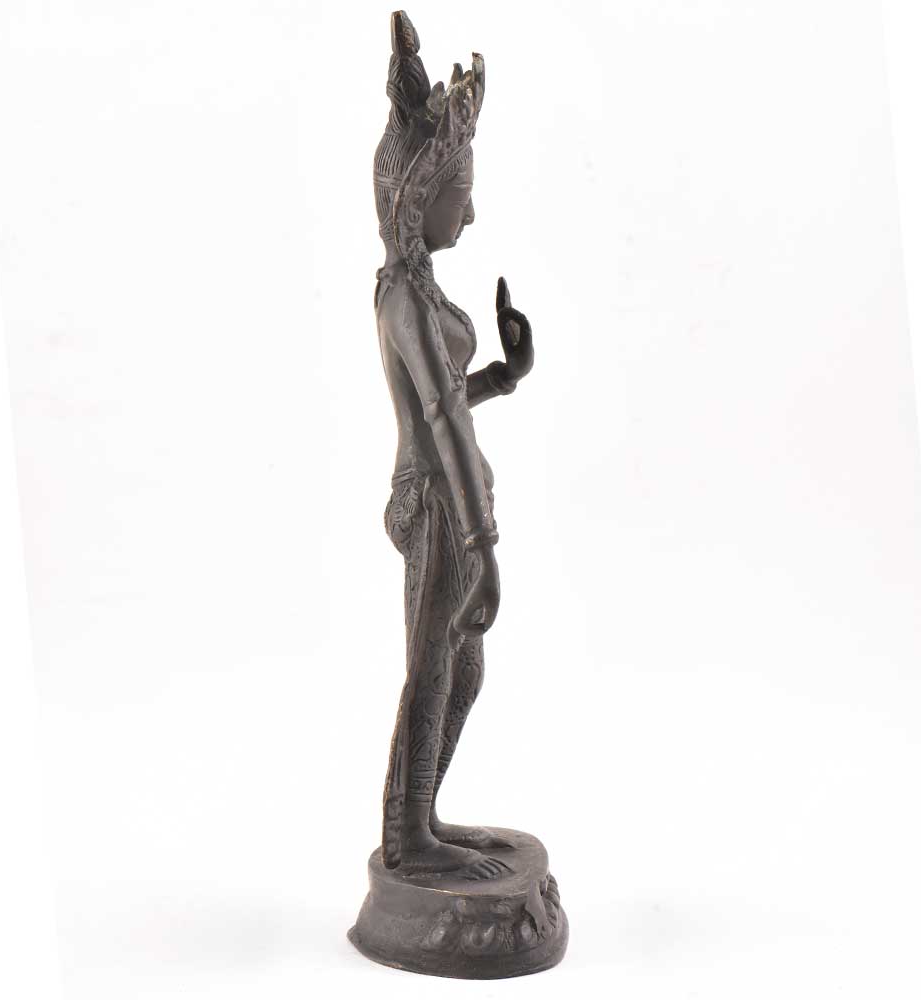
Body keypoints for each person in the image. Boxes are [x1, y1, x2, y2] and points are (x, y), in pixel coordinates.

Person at [372, 11, 535, 878]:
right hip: (438, 509)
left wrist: (503, 375)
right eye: (459, 193)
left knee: (462, 672)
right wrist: (485, 547)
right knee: (432, 668)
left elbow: (450, 404)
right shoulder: (404, 296)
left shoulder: (420, 291)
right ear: (420, 198)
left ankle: (424, 815)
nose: (469, 211)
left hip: (453, 501)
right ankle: (407, 841)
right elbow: (436, 421)